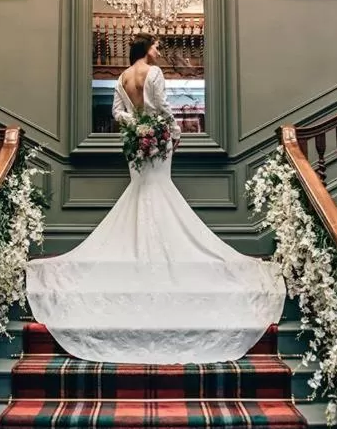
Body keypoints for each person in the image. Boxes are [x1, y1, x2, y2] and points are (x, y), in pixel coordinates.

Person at [26, 35, 286, 364]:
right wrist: (171, 133)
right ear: (146, 49)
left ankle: (140, 250)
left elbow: (117, 113)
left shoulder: (122, 77)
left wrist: (136, 128)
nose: (159, 51)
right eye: (156, 46)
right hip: (159, 140)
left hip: (135, 143)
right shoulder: (155, 73)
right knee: (158, 190)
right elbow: (163, 108)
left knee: (142, 191)